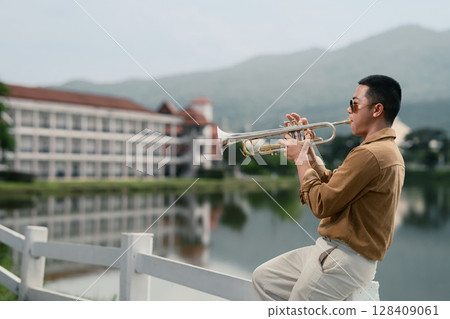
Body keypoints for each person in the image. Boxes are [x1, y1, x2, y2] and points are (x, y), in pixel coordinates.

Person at [252, 74, 405, 301]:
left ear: (377, 110)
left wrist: (301, 159)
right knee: (265, 280)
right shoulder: (379, 150)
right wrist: (310, 151)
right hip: (333, 250)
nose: (348, 110)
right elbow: (334, 186)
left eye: (354, 104)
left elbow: (322, 204)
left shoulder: (371, 154)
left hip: (344, 258)